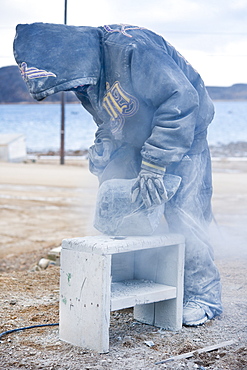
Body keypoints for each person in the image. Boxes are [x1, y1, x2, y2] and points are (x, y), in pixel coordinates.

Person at [13, 22, 223, 326]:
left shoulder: (132, 49)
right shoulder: (86, 76)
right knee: (120, 205)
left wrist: (155, 162)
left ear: (73, 58)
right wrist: (104, 145)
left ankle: (204, 296)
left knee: (185, 212)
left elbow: (181, 101)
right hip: (139, 139)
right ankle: (134, 284)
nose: (77, 92)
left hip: (183, 135)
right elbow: (111, 119)